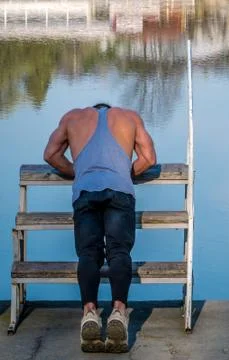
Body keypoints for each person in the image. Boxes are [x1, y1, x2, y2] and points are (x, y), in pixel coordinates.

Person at [43, 103, 156, 353]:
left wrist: (78, 171)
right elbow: (149, 158)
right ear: (110, 108)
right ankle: (118, 312)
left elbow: (51, 154)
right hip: (120, 192)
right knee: (119, 252)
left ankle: (90, 312)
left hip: (85, 191)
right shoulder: (130, 117)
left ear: (91, 109)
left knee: (88, 253)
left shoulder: (72, 117)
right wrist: (123, 174)